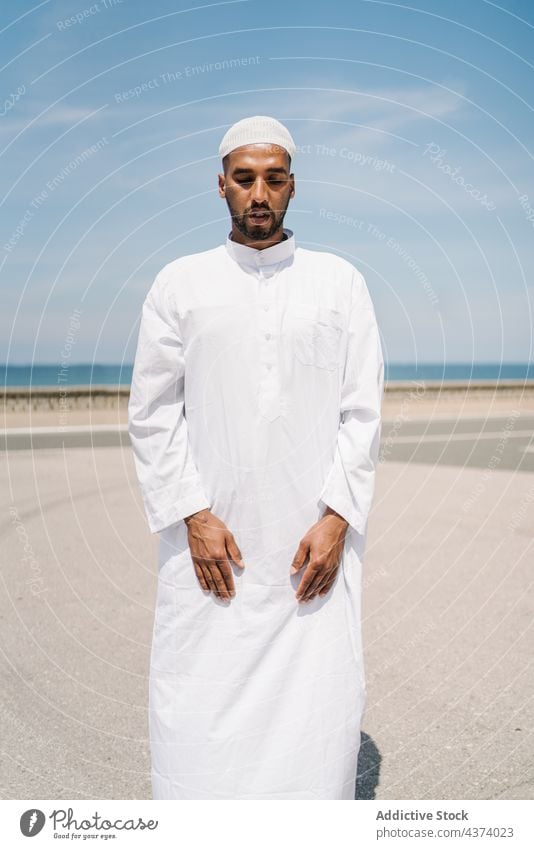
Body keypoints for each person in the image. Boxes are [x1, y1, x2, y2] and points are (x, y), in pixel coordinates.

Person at [127, 115, 385, 800]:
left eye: (274, 178)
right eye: (245, 178)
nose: (260, 192)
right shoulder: (179, 284)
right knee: (198, 712)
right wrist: (192, 514)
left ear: (293, 185)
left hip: (312, 551)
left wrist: (336, 520)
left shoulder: (341, 283)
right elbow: (151, 412)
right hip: (213, 547)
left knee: (317, 716)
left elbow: (362, 411)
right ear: (221, 186)